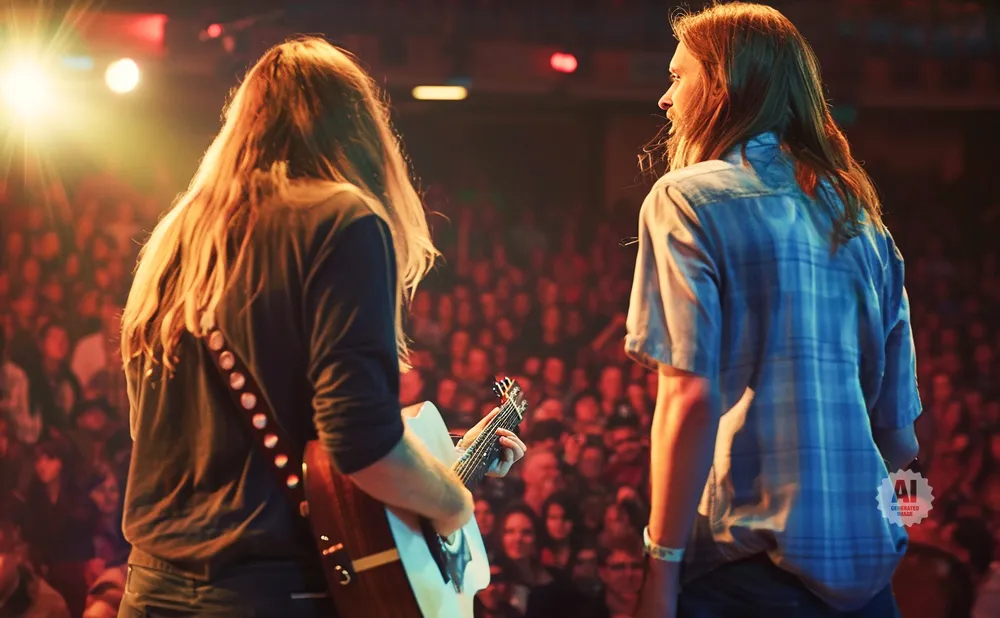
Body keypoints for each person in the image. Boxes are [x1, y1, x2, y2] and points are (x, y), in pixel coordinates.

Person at [117, 36, 525, 617]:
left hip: (149, 588)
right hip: (268, 593)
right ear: (359, 131)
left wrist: (440, 456)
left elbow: (155, 431)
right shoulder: (342, 218)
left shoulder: (175, 236)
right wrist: (452, 498)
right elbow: (360, 442)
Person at [624, 4, 919, 617]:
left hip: (742, 578)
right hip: (867, 586)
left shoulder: (688, 199)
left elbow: (689, 398)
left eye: (678, 77)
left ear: (723, 85)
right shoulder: (863, 223)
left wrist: (660, 571)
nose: (664, 98)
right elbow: (898, 436)